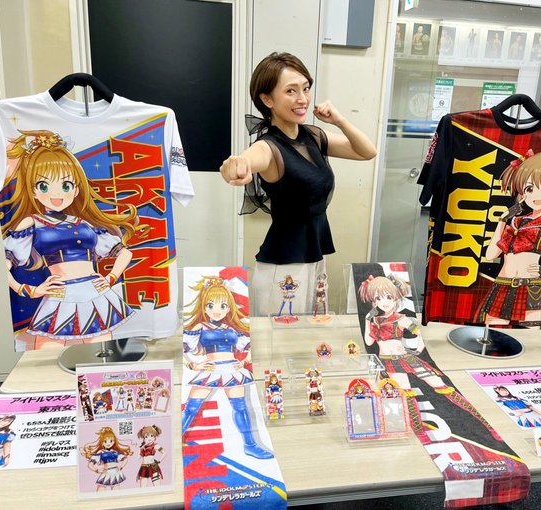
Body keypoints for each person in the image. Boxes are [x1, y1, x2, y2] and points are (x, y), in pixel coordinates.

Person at [219, 52, 376, 317]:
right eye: (291, 91)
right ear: (267, 99)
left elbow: (367, 151)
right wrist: (237, 164)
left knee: (310, 334)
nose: (302, 98)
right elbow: (248, 159)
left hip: (314, 256)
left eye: (305, 88)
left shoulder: (312, 136)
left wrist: (339, 120)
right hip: (284, 266)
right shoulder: (269, 147)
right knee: (282, 338)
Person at [0, 130, 146, 349]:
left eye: (66, 185)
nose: (57, 194)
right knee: (46, 356)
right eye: (44, 186)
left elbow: (125, 252)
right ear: (33, 191)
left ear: (76, 189)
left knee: (101, 356)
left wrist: (111, 277)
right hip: (59, 296)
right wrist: (29, 290)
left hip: (96, 294)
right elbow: (2, 266)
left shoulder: (85, 223)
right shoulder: (31, 223)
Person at [359, 274, 502, 443]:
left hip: (406, 357)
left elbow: (417, 334)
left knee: (440, 385)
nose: (384, 302)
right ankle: (421, 434)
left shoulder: (401, 319)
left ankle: (485, 425)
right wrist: (367, 321)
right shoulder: (375, 320)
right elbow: (369, 342)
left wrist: (418, 349)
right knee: (406, 394)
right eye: (379, 298)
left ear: (395, 297)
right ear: (373, 301)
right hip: (389, 362)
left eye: (389, 297)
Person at [475, 150, 541, 329]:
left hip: (532, 288)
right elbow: (491, 255)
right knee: (490, 336)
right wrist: (502, 220)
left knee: (530, 340)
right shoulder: (515, 221)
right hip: (502, 285)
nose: (537, 195)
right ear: (522, 192)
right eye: (529, 188)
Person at [182, 276, 273, 459]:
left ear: (229, 308)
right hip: (211, 370)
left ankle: (250, 445)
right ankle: (175, 441)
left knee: (241, 408)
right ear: (204, 307)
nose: (217, 311)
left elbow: (248, 348)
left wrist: (244, 362)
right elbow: (183, 349)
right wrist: (194, 364)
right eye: (211, 305)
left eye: (222, 306)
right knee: (191, 408)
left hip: (232, 370)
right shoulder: (200, 326)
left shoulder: (232, 329)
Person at [83, 426, 132, 491]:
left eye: (111, 441)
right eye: (105, 441)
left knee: (116, 491)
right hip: (106, 472)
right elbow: (90, 464)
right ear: (102, 442)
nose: (108, 443)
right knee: (101, 490)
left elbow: (125, 459)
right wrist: (97, 470)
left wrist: (121, 466)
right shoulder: (101, 452)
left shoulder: (115, 452)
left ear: (114, 441)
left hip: (115, 472)